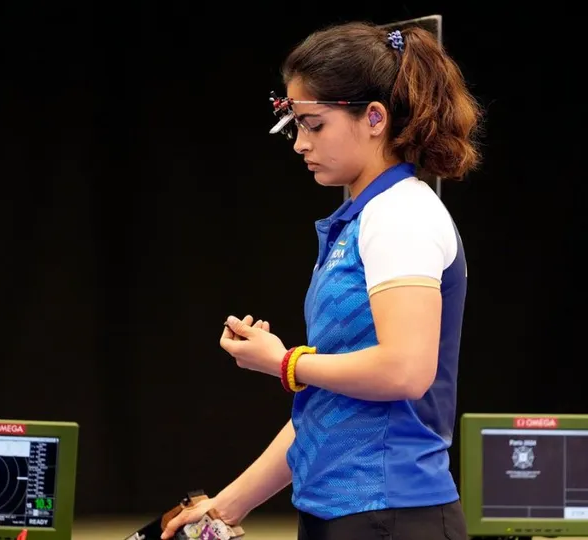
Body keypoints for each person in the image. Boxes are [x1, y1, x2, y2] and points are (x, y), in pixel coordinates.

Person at [162, 21, 481, 540]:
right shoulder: (362, 218)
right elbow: (327, 410)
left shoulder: (401, 215)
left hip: (391, 515)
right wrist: (227, 506)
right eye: (295, 125)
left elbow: (405, 371)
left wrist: (285, 362)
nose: (299, 144)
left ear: (374, 118)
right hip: (341, 514)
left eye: (313, 124)